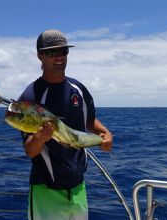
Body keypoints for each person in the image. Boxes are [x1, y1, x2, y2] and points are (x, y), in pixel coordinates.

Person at [18, 29, 113, 220]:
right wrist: (40, 138)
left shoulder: (78, 89)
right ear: (40, 56)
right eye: (52, 53)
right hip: (47, 189)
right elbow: (30, 150)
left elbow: (88, 120)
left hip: (78, 186)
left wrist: (104, 133)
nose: (59, 57)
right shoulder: (30, 97)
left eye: (63, 51)